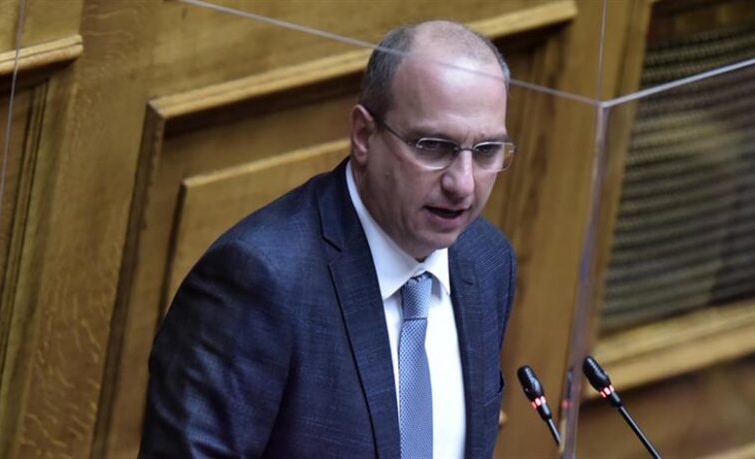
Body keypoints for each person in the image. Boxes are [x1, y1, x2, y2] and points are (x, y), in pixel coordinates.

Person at [140, 20, 517, 459]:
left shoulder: (486, 260)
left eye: (486, 151)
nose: (463, 184)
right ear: (364, 135)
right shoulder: (260, 280)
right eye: (433, 146)